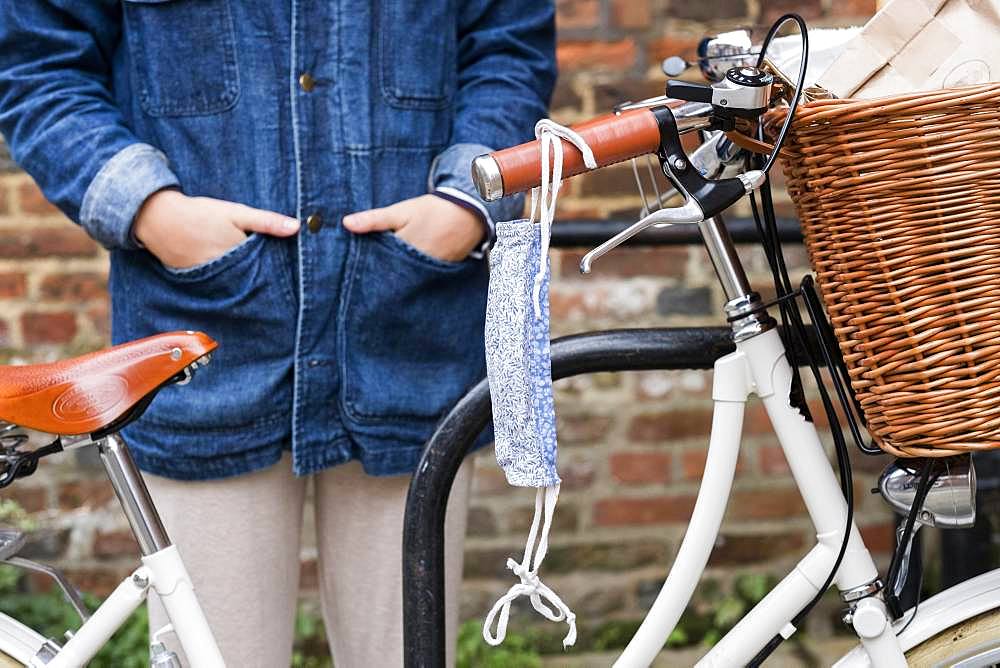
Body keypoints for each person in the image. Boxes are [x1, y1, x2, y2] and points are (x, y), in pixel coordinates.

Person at [0, 2, 555, 665]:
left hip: (407, 324)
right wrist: (153, 211)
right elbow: (36, 62)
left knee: (404, 656)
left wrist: (466, 202)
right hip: (204, 338)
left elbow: (507, 44)